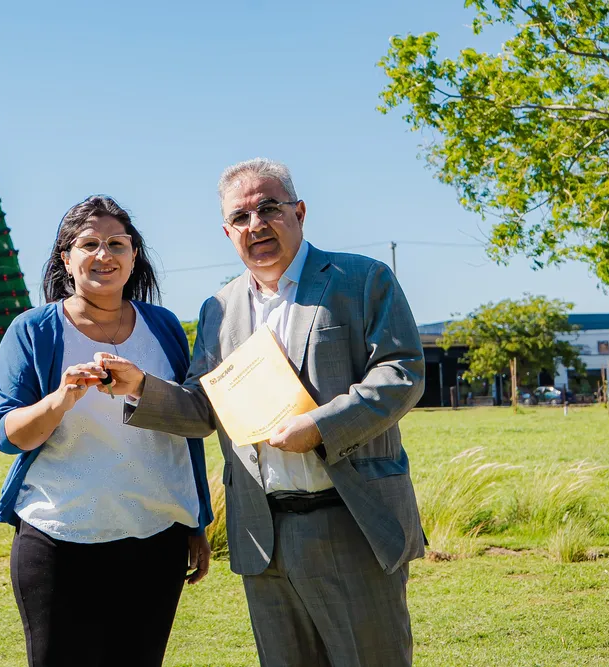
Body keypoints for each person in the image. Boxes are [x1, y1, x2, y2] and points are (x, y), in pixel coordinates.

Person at [98, 159, 427, 667]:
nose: (257, 225)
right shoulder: (219, 307)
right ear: (227, 231)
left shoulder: (361, 280)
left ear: (299, 212)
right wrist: (140, 388)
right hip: (262, 535)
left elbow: (400, 372)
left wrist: (320, 427)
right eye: (242, 217)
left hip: (352, 521)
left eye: (269, 208)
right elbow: (205, 407)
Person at [0, 195, 213, 667]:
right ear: (66, 259)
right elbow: (7, 435)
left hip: (156, 542)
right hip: (58, 542)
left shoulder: (165, 327)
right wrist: (60, 399)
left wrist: (196, 521)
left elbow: (187, 423)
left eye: (116, 243)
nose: (103, 254)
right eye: (88, 243)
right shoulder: (33, 330)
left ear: (134, 257)